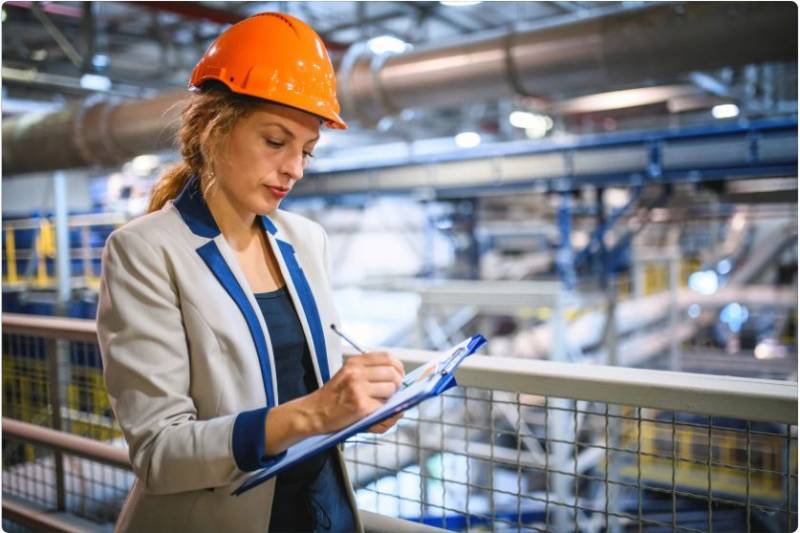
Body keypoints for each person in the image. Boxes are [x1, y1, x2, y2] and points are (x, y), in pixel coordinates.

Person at [96, 12, 405, 533]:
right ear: (213, 128)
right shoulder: (144, 252)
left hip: (318, 513)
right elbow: (160, 452)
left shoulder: (306, 240)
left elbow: (293, 378)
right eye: (275, 141)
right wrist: (314, 413)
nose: (295, 169)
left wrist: (357, 401)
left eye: (306, 150)